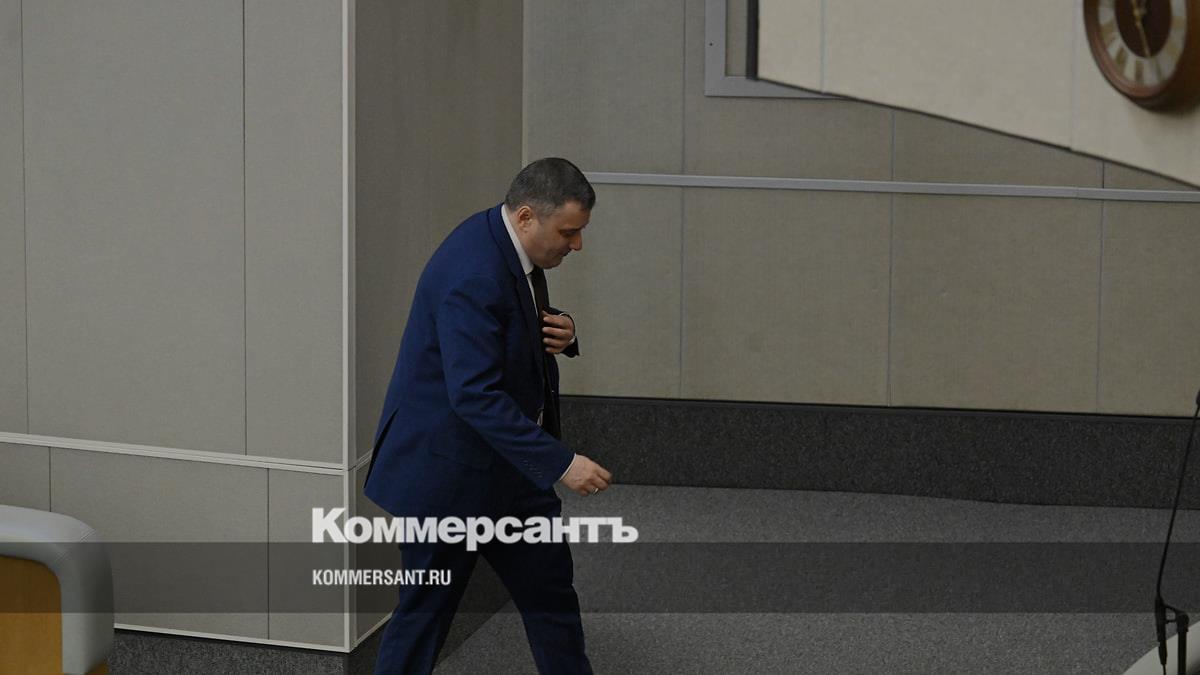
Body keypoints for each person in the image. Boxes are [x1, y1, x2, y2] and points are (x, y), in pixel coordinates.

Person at [363, 157, 613, 674]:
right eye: (569, 232)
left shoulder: (511, 246)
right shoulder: (473, 273)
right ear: (526, 217)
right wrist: (563, 463)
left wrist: (563, 332)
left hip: (509, 469)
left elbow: (511, 327)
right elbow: (474, 395)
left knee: (551, 596)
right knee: (424, 616)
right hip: (448, 478)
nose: (577, 245)